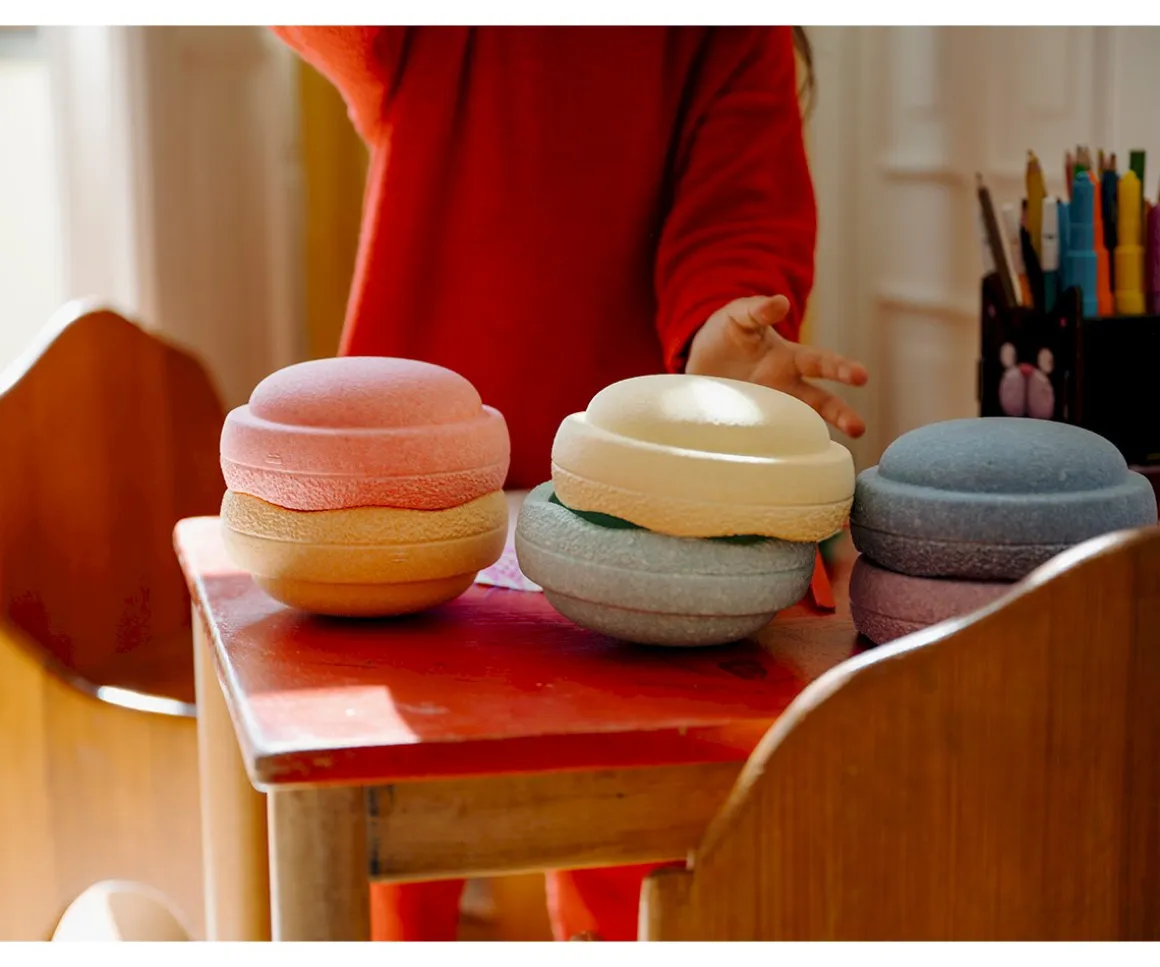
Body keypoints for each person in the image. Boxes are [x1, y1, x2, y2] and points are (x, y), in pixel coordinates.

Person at [272, 25, 868, 942]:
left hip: (635, 510)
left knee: (627, 843)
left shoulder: (726, 29)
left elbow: (739, 211)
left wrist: (718, 334)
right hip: (403, 496)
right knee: (387, 848)